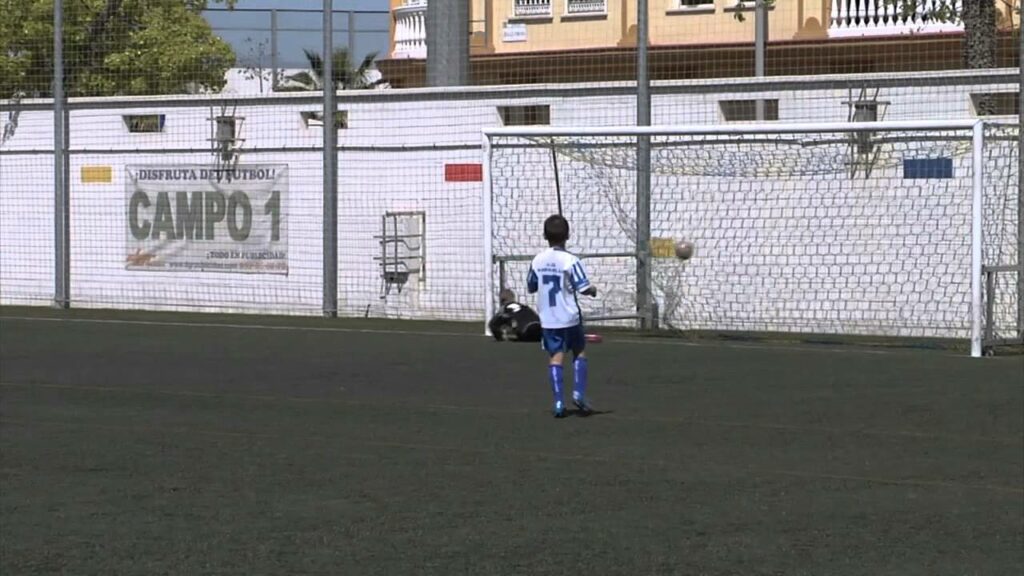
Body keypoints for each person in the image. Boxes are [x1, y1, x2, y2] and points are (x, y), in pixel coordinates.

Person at [526, 214, 597, 418]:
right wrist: (592, 290)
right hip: (569, 317)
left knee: (555, 357)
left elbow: (531, 286)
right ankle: (579, 393)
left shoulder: (537, 260)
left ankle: (558, 402)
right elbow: (582, 288)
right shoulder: (571, 260)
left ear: (544, 236)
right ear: (568, 235)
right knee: (579, 351)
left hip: (548, 320)